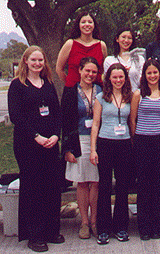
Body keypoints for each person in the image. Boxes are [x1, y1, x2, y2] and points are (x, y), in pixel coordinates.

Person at [8, 46, 64, 252]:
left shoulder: (48, 83)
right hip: (28, 145)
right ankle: (35, 235)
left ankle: (51, 230)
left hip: (50, 144)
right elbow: (17, 117)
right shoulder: (17, 85)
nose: (38, 64)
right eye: (34, 60)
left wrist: (56, 135)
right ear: (25, 61)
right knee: (34, 189)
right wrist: (37, 137)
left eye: (41, 60)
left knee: (51, 186)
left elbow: (57, 113)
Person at [89, 63, 133, 244]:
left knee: (123, 187)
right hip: (105, 143)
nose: (118, 80)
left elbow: (132, 121)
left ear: (125, 78)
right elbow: (96, 124)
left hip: (124, 145)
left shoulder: (130, 97)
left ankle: (121, 227)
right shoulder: (101, 98)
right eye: (114, 77)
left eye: (121, 77)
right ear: (109, 79)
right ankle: (103, 229)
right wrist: (93, 149)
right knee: (105, 187)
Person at [130, 59, 160, 240]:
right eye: (149, 73)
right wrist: (136, 140)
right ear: (144, 75)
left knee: (157, 185)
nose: (153, 76)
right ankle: (144, 227)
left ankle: (156, 226)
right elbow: (132, 121)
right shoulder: (138, 94)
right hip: (142, 142)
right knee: (144, 185)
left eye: (155, 72)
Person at [61, 57, 102, 239]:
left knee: (97, 182)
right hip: (79, 141)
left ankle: (95, 221)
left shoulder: (100, 90)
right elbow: (65, 121)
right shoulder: (70, 92)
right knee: (83, 182)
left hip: (99, 140)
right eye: (87, 71)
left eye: (94, 72)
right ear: (80, 70)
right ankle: (84, 222)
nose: (90, 75)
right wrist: (67, 149)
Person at [56, 11, 107, 87]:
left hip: (96, 91)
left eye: (90, 22)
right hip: (73, 90)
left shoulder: (101, 45)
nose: (87, 24)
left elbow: (103, 69)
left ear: (94, 25)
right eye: (83, 22)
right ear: (78, 25)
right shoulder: (70, 44)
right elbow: (59, 69)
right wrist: (70, 84)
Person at [103, 28, 145, 92]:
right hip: (116, 97)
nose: (126, 40)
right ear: (117, 39)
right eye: (123, 37)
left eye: (129, 38)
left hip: (135, 96)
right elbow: (107, 81)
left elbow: (142, 81)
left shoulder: (139, 59)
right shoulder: (109, 60)